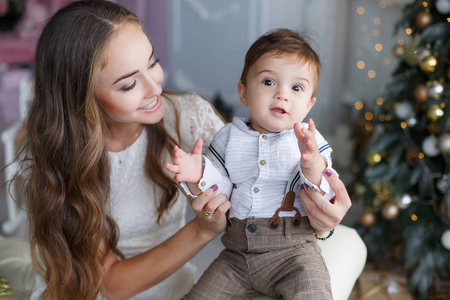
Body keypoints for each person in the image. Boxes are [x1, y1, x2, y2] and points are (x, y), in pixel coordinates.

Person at [16, 1, 231, 299]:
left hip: (176, 285)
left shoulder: (187, 116)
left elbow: (257, 181)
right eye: (129, 84)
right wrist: (202, 231)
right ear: (83, 98)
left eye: (152, 63)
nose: (155, 88)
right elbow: (110, 285)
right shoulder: (62, 158)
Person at [166, 28, 338, 299]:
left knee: (313, 291)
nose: (282, 94)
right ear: (244, 93)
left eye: (296, 88)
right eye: (269, 82)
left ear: (308, 105)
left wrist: (312, 164)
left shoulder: (308, 140)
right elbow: (220, 188)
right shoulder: (228, 138)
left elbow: (326, 193)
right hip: (237, 256)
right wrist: (197, 172)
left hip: (294, 253)